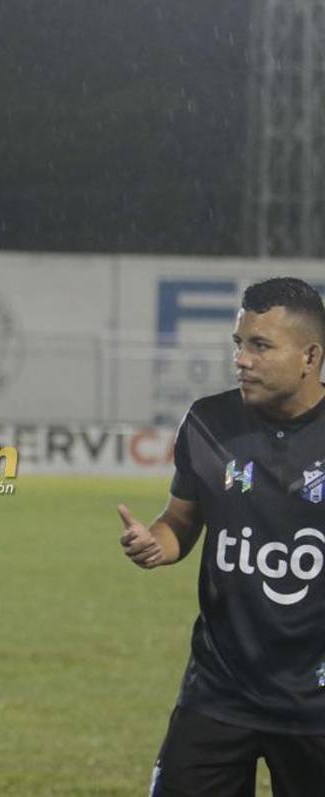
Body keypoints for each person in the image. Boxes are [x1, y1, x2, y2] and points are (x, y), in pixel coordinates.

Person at [117, 277, 325, 796]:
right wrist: (157, 543)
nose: (243, 360)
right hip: (218, 691)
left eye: (261, 346)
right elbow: (182, 521)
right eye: (239, 344)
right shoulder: (209, 422)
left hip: (316, 704)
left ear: (310, 356)